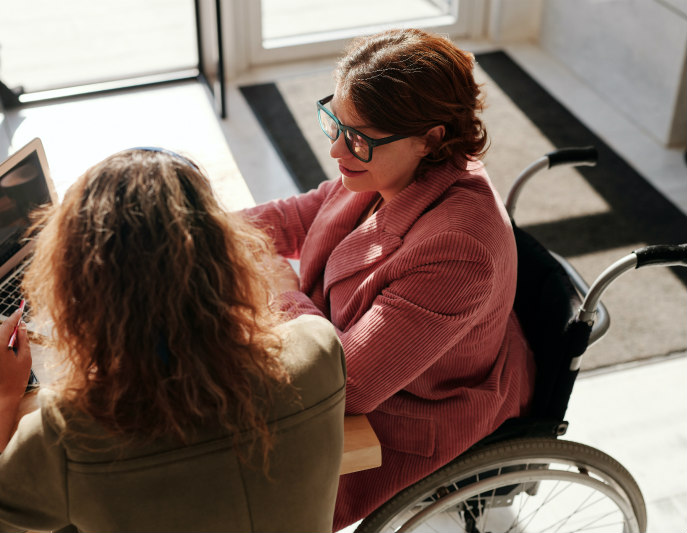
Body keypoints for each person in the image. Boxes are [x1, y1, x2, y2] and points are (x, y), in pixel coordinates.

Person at [241, 28, 536, 529]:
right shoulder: (387, 164)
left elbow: (347, 386)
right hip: (363, 354)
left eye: (356, 137)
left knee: (243, 481)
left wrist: (282, 290)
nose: (337, 151)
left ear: (432, 138)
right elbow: (301, 214)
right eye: (333, 121)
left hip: (406, 417)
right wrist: (193, 227)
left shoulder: (458, 250)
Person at [0, 148, 346, 532]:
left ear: (81, 287)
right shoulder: (319, 348)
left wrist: (4, 396)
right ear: (227, 255)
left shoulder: (65, 431)